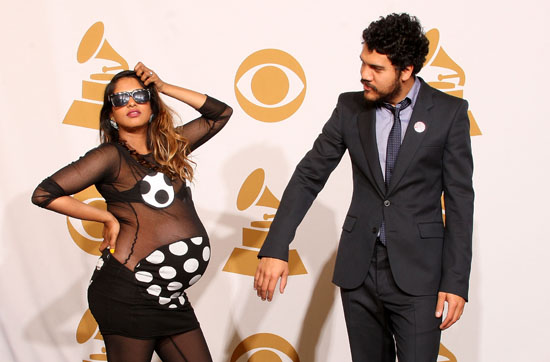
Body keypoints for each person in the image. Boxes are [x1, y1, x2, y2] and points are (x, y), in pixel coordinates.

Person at [253, 13, 474, 362]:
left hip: (420, 275)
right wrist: (276, 246)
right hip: (360, 270)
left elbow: (460, 200)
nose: (364, 75)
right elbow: (309, 175)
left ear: (407, 70)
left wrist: (456, 281)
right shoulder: (349, 108)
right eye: (363, 63)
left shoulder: (448, 113)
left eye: (376, 68)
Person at [32, 62, 232, 362]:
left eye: (139, 95)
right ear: (111, 114)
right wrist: (105, 216)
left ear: (152, 104)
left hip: (168, 296)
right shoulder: (110, 156)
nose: (131, 103)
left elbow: (220, 114)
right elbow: (44, 193)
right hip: (128, 294)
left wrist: (162, 86)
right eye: (120, 99)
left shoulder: (171, 148)